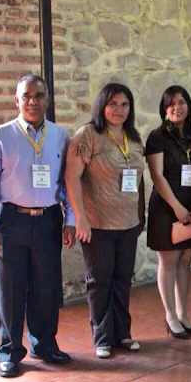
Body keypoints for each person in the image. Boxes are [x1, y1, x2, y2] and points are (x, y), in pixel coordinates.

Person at [0, 74, 75, 378]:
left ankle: (44, 344)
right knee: (11, 289)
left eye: (39, 95)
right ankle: (9, 351)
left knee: (46, 287)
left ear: (47, 99)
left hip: (48, 220)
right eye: (27, 96)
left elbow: (69, 183)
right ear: (17, 100)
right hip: (11, 221)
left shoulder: (60, 135)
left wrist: (70, 219)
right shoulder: (1, 136)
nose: (33, 101)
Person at [65, 83, 145, 359]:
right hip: (97, 223)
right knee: (100, 282)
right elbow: (71, 178)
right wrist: (80, 219)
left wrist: (139, 215)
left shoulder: (133, 138)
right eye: (113, 104)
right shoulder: (87, 136)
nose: (119, 110)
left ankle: (122, 333)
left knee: (123, 279)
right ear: (101, 106)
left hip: (127, 223)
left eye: (125, 104)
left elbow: (139, 180)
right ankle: (101, 337)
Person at [145, 85, 191, 339]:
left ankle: (183, 314)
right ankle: (170, 316)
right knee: (169, 261)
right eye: (171, 103)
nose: (177, 107)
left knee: (186, 261)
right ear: (164, 108)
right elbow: (157, 176)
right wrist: (177, 208)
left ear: (188, 106)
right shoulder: (157, 136)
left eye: (181, 102)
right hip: (166, 207)